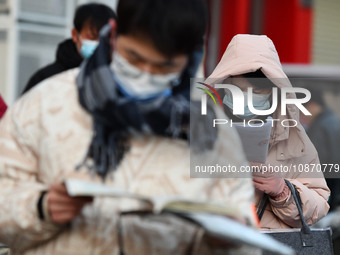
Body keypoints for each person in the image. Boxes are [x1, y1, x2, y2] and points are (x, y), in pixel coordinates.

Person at [0, 1, 257, 254]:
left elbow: (245, 232)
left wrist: (227, 241)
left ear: (191, 57)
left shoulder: (211, 129)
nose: (144, 73)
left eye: (164, 66)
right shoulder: (45, 104)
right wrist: (41, 207)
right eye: (133, 57)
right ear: (113, 34)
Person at [206, 34, 330, 229]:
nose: (249, 101)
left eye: (258, 94)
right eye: (241, 92)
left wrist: (283, 191)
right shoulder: (193, 127)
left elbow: (319, 205)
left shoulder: (294, 136)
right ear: (225, 83)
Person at [21, 3, 116, 94]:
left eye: (104, 39)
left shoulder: (117, 78)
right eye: (91, 37)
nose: (98, 44)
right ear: (75, 35)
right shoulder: (46, 79)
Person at [298, 88, 340, 211]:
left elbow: (315, 163)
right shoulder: (334, 121)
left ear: (312, 105)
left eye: (302, 110)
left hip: (327, 187)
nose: (302, 116)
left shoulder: (319, 127)